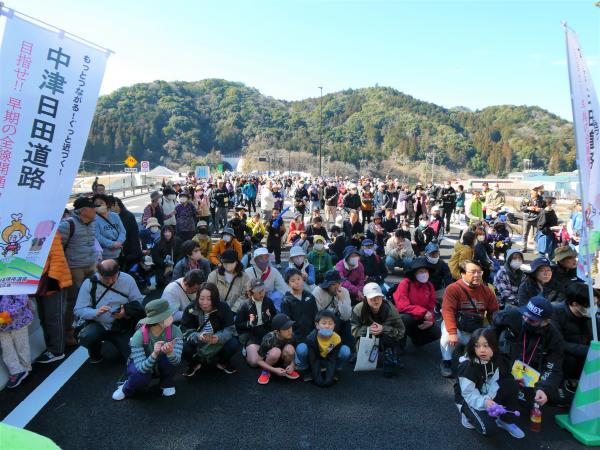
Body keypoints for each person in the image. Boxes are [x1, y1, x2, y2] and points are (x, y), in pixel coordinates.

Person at [492, 296, 566, 409]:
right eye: (525, 315)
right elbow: (494, 323)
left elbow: (553, 367)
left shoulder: (555, 338)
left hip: (531, 373)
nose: (525, 320)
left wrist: (543, 388)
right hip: (506, 362)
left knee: (543, 399)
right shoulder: (513, 316)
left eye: (532, 320)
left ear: (546, 321)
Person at [454, 328, 524, 439]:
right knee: (489, 429)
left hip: (484, 393)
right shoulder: (468, 367)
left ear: (493, 346)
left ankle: (505, 420)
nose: (482, 350)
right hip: (467, 400)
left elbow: (494, 381)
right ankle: (466, 415)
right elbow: (468, 394)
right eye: (477, 346)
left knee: (511, 384)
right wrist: (485, 402)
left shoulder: (495, 360)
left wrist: (489, 398)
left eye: (486, 346)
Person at [74, 259, 144, 363]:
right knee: (87, 336)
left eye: (113, 277)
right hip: (98, 324)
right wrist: (95, 312)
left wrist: (125, 312)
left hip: (121, 325)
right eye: (106, 278)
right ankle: (95, 351)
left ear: (118, 272)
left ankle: (122, 344)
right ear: (99, 273)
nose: (110, 281)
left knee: (134, 358)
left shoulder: (128, 279)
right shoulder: (90, 283)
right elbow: (78, 309)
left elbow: (138, 301)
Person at [112, 299, 183, 401]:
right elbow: (141, 368)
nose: (172, 316)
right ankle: (127, 387)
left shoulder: (176, 331)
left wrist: (170, 352)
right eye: (168, 314)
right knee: (141, 377)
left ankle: (166, 383)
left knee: (169, 362)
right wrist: (154, 354)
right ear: (158, 320)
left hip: (161, 360)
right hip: (143, 363)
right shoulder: (139, 335)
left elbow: (177, 362)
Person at [440, 260, 499, 377]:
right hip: (457, 326)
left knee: (479, 359)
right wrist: (452, 332)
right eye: (472, 272)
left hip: (476, 328)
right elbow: (448, 311)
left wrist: (496, 332)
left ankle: (468, 353)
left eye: (479, 272)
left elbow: (494, 312)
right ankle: (446, 361)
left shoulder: (487, 291)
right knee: (447, 337)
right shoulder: (453, 289)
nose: (477, 275)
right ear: (462, 274)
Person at [58, 196, 98, 346]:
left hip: (91, 266)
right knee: (72, 302)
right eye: (92, 208)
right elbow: (58, 248)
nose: (95, 210)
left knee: (94, 297)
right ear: (83, 211)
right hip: (74, 269)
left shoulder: (93, 223)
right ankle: (68, 333)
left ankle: (89, 325)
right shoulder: (67, 225)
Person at [180, 282, 240, 376]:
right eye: (201, 298)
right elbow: (185, 330)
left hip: (218, 342)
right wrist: (198, 336)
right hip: (198, 343)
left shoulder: (223, 307)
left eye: (209, 299)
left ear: (215, 298)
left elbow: (230, 329)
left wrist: (219, 338)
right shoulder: (191, 308)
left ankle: (222, 361)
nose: (205, 302)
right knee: (183, 347)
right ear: (197, 297)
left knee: (233, 344)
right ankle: (194, 363)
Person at [351, 283, 406, 377]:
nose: (376, 300)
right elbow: (354, 330)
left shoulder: (390, 309)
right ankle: (359, 354)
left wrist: (383, 329)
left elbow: (401, 331)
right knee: (360, 341)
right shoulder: (358, 309)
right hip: (366, 338)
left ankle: (391, 354)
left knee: (389, 338)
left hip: (385, 337)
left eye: (379, 297)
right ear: (365, 298)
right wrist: (367, 329)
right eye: (372, 298)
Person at [553, 283, 599, 393]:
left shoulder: (591, 317)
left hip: (584, 352)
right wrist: (590, 351)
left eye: (596, 303)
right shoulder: (556, 313)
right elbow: (558, 344)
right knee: (569, 360)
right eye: (590, 305)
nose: (595, 308)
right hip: (563, 356)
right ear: (575, 304)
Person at [34, 231, 73, 364]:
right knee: (44, 317)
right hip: (38, 281)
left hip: (52, 281)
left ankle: (57, 350)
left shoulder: (47, 228)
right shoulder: (30, 229)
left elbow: (57, 257)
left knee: (53, 317)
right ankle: (52, 347)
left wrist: (52, 281)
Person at [393, 258, 441, 348]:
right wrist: (423, 312)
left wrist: (430, 320)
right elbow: (402, 306)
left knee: (436, 332)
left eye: (426, 271)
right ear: (414, 273)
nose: (424, 274)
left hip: (421, 318)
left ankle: (417, 340)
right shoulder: (405, 283)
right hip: (408, 317)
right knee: (405, 318)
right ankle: (399, 343)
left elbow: (431, 306)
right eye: (421, 271)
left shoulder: (429, 286)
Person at [295, 310, 351, 386]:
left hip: (328, 359)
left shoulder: (336, 339)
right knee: (301, 348)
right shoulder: (311, 338)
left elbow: (332, 358)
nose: (327, 326)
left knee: (345, 350)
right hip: (315, 359)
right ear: (317, 325)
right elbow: (313, 359)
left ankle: (336, 370)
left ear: (334, 325)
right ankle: (306, 370)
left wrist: (328, 380)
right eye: (324, 323)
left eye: (330, 323)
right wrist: (319, 380)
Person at [236, 279, 278, 365]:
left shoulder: (268, 301)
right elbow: (238, 325)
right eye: (258, 291)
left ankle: (263, 356)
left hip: (266, 331)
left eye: (263, 290)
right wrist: (249, 323)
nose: (262, 293)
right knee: (253, 362)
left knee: (276, 354)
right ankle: (250, 349)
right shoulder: (244, 305)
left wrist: (270, 317)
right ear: (251, 292)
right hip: (252, 334)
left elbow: (275, 317)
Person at [312, 270, 354, 348]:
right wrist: (333, 311)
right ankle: (329, 349)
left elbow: (346, 317)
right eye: (333, 284)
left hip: (340, 322)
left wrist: (341, 299)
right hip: (324, 324)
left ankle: (349, 352)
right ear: (327, 285)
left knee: (348, 325)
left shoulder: (344, 292)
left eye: (339, 283)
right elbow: (317, 316)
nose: (337, 287)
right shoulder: (317, 292)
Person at [255, 313, 300, 384]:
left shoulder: (292, 336)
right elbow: (258, 361)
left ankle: (287, 369)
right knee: (275, 352)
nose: (289, 330)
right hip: (270, 361)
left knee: (290, 349)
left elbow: (296, 353)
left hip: (284, 360)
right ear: (276, 331)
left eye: (290, 327)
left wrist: (292, 365)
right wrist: (274, 370)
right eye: (285, 329)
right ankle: (266, 371)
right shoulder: (269, 338)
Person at [0, 295, 34, 388]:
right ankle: (16, 371)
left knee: (22, 346)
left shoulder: (12, 284)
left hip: (19, 322)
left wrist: (8, 312)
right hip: (1, 327)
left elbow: (22, 300)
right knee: (6, 350)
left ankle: (26, 367)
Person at [281, 268, 318, 344]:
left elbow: (316, 314)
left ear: (302, 279)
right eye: (293, 281)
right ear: (288, 284)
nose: (297, 282)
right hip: (296, 336)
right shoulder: (286, 300)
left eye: (298, 279)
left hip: (312, 334)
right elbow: (287, 321)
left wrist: (316, 331)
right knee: (302, 350)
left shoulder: (310, 296)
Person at [207, 249, 250, 313]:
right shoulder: (213, 275)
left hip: (235, 313)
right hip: (216, 311)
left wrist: (233, 311)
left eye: (231, 262)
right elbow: (209, 293)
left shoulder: (244, 277)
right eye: (225, 262)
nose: (227, 264)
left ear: (237, 262)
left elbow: (245, 296)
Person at [111, 197, 143, 273]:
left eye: (110, 206)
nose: (108, 209)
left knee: (128, 272)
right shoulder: (113, 216)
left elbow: (125, 234)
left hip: (129, 251)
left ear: (116, 205)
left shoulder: (127, 216)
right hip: (121, 251)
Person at [151, 225, 182, 289]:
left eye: (169, 231)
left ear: (172, 232)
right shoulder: (158, 242)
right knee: (161, 282)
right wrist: (164, 262)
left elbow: (180, 254)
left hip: (175, 264)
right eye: (165, 232)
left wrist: (176, 264)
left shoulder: (177, 241)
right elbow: (155, 257)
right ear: (162, 233)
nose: (167, 234)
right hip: (162, 265)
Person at [423, 243, 452, 307]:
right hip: (422, 289)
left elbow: (448, 279)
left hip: (437, 289)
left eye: (436, 253)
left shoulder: (442, 264)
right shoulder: (421, 263)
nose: (434, 255)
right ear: (426, 255)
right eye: (432, 254)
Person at [520, 186, 546, 253]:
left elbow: (544, 208)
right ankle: (524, 248)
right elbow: (521, 207)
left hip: (536, 218)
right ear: (531, 191)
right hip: (527, 218)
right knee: (525, 233)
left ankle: (536, 249)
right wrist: (528, 208)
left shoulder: (541, 199)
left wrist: (539, 209)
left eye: (537, 191)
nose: (536, 192)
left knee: (536, 234)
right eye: (534, 191)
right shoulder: (526, 198)